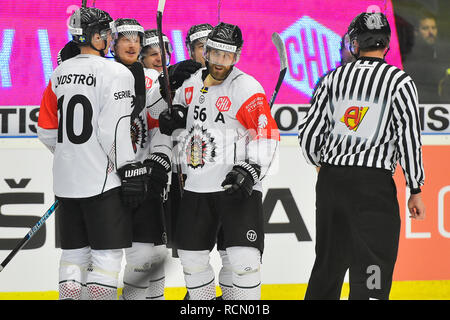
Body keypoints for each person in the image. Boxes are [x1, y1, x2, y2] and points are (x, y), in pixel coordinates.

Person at [298, 12, 425, 300]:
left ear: (355, 42)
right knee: (372, 265)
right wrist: (415, 187)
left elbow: (308, 136)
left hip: (332, 182)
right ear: (386, 43)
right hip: (373, 186)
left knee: (328, 266)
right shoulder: (399, 82)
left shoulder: (332, 79)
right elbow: (409, 139)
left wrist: (323, 166)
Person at [158, 22, 280, 300]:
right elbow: (160, 109)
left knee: (243, 262)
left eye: (227, 56)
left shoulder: (246, 87)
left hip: (234, 189)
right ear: (207, 52)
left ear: (236, 57)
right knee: (191, 259)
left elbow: (267, 135)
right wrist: (172, 111)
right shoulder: (190, 83)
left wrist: (251, 169)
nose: (220, 62)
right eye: (215, 55)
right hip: (197, 187)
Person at [37, 7, 149, 300]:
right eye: (108, 33)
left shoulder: (58, 73)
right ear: (97, 37)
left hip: (65, 180)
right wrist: (126, 167)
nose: (111, 38)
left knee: (74, 255)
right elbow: (113, 129)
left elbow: (46, 130)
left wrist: (72, 154)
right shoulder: (116, 72)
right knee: (106, 256)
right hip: (103, 180)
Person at [108, 18, 173, 300]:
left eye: (136, 38)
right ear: (112, 42)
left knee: (149, 256)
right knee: (100, 261)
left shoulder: (150, 79)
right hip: (106, 182)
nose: (132, 44)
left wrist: (159, 160)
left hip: (142, 179)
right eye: (125, 38)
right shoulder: (104, 73)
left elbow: (160, 123)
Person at [403, 11, 450, 103]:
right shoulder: (408, 56)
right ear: (416, 32)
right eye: (425, 28)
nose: (431, 32)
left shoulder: (444, 53)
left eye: (433, 28)